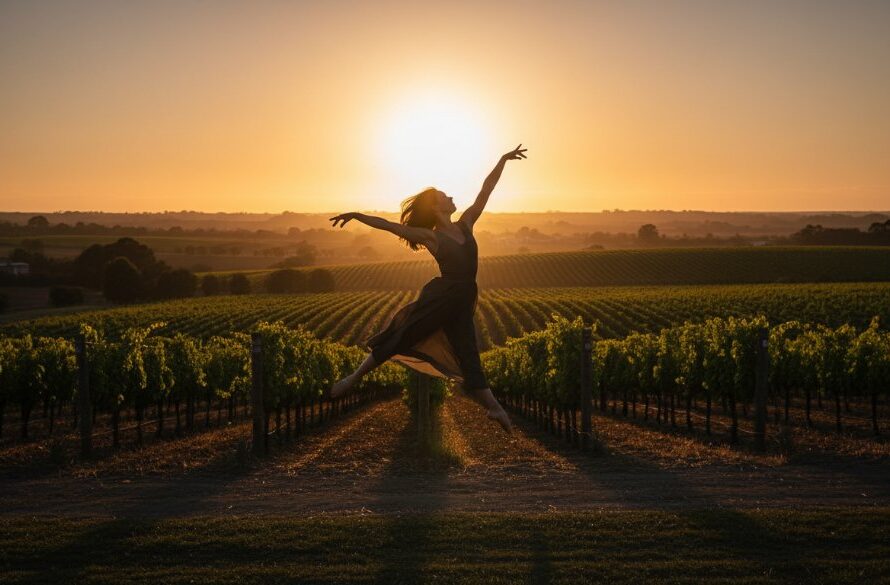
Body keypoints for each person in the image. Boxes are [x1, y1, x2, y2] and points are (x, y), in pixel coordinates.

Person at [327, 144, 528, 433]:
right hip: (443, 297)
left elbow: (486, 190)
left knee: (468, 353)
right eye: (445, 196)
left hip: (463, 298)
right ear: (436, 207)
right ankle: (354, 378)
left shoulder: (466, 224)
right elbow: (389, 226)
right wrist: (357, 215)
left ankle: (494, 408)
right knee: (403, 332)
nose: (451, 196)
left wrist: (502, 161)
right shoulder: (431, 237)